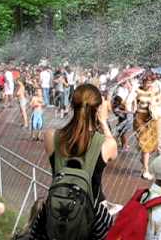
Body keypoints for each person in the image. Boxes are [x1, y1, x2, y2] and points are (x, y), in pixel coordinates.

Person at [43, 83, 118, 239]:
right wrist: (103, 121)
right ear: (98, 109)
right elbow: (114, 153)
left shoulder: (51, 135)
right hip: (94, 213)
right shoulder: (107, 144)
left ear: (72, 105)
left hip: (59, 208)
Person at [134, 75, 160, 180]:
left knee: (151, 144)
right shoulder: (137, 91)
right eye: (146, 82)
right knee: (145, 146)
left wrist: (153, 103)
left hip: (152, 119)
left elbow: (158, 103)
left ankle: (143, 162)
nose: (148, 84)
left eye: (150, 82)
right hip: (140, 119)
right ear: (143, 82)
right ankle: (145, 170)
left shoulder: (155, 92)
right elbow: (133, 105)